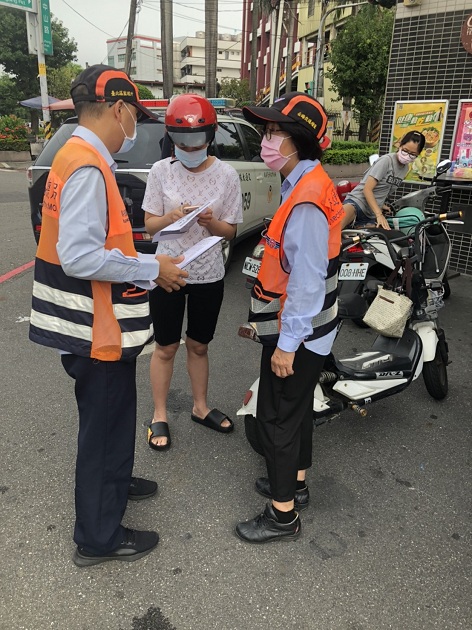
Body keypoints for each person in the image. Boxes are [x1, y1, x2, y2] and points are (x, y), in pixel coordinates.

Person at [29, 65, 188, 567]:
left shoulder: (73, 155)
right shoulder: (85, 165)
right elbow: (78, 255)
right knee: (103, 427)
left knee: (115, 417)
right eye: (133, 115)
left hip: (96, 323)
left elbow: (92, 242)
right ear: (119, 109)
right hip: (92, 327)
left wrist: (137, 252)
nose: (133, 125)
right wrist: (150, 265)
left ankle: (115, 482)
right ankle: (98, 537)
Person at [235, 92, 344, 543]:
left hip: (298, 331)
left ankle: (282, 517)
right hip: (310, 329)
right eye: (265, 130)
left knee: (277, 418)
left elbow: (306, 280)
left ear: (298, 138)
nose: (266, 139)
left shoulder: (306, 197)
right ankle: (295, 486)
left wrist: (287, 344)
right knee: (296, 414)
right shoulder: (305, 183)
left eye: (274, 131)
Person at [142, 94, 243, 450]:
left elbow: (230, 230)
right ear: (171, 137)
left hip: (208, 273)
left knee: (199, 345)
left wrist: (211, 222)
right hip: (167, 270)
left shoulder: (227, 174)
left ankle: (200, 407)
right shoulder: (160, 171)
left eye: (196, 141)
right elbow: (149, 225)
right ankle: (159, 414)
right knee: (166, 346)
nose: (189, 147)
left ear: (210, 136)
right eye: (181, 141)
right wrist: (171, 218)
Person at [341, 130, 426, 229]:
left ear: (418, 154)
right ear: (400, 145)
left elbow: (383, 189)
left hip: (370, 214)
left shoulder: (405, 169)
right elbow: (367, 189)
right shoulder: (386, 161)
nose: (407, 156)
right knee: (334, 232)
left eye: (412, 154)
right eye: (405, 150)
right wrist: (379, 214)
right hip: (356, 203)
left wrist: (380, 205)